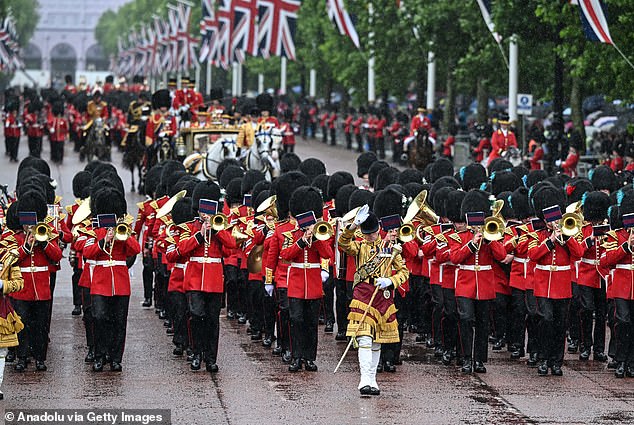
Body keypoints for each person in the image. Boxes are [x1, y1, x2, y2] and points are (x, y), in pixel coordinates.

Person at [338, 205, 409, 396]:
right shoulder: (359, 245)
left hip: (382, 294)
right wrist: (353, 226)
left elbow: (404, 272)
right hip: (363, 292)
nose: (370, 237)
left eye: (373, 233)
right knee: (364, 338)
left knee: (377, 341)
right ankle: (364, 379)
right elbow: (342, 244)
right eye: (366, 233)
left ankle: (373, 380)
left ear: (378, 230)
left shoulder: (390, 248)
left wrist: (391, 281)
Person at [177, 182, 237, 373]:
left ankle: (210, 358)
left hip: (214, 280)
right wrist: (199, 236)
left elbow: (231, 247)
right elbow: (180, 250)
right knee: (196, 316)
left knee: (212, 320)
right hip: (194, 278)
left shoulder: (221, 225)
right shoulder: (189, 227)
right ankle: (196, 354)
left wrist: (217, 230)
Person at [83, 187, 140, 372]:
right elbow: (87, 252)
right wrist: (104, 240)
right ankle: (100, 355)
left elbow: (135, 249)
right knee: (99, 318)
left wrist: (121, 234)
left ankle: (116, 358)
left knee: (119, 321)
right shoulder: (94, 230)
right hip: (100, 282)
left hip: (121, 283)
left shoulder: (124, 229)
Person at [280, 187, 333, 372]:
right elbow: (285, 255)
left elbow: (328, 254)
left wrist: (316, 238)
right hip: (295, 283)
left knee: (311, 322)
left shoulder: (320, 233)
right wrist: (302, 240)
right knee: (296, 320)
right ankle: (296, 357)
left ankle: (309, 357)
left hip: (313, 283)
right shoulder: (291, 235)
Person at [0, 248, 24, 400]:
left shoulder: (7, 254)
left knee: (1, 351)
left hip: (1, 310)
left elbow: (19, 283)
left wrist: (3, 285)